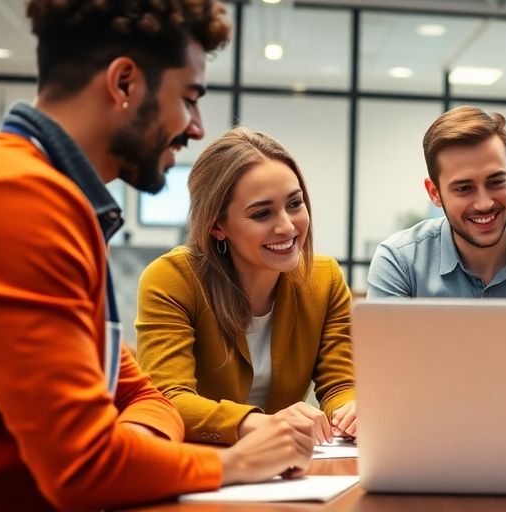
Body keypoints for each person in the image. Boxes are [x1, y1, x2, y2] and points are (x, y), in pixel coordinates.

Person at [0, 2, 313, 509]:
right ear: (124, 83)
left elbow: (143, 396)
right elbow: (83, 468)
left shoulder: (61, 201)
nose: (196, 128)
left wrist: (129, 451)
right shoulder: (20, 201)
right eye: (188, 99)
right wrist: (237, 463)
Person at [137, 128, 358, 444]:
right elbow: (168, 398)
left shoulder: (325, 279)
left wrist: (351, 410)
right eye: (262, 213)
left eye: (295, 203)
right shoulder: (172, 278)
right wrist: (257, 424)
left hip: (287, 460)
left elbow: (340, 385)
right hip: (203, 460)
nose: (287, 226)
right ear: (217, 225)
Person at [367, 106, 506, 299]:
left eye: (495, 182)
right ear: (435, 193)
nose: (484, 204)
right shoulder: (400, 263)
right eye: (464, 188)